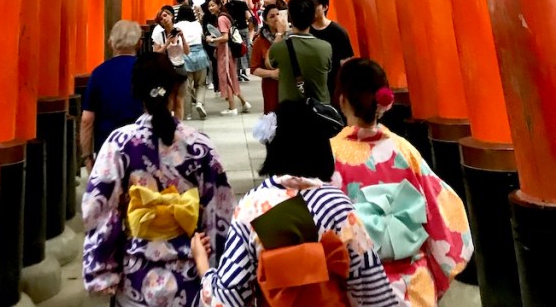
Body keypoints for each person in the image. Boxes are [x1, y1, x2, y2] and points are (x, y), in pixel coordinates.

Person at [191, 100, 398, 307]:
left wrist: (203, 265)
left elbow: (224, 300)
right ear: (320, 147)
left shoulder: (251, 207)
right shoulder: (337, 205)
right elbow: (375, 294)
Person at [82, 53, 235, 307]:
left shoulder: (119, 144)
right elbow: (221, 210)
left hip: (135, 277)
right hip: (190, 276)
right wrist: (215, 270)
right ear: (175, 91)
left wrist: (103, 269)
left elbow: (98, 208)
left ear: (136, 92)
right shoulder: (200, 146)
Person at [331, 58, 474, 306]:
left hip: (359, 286)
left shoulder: (329, 156)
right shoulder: (404, 150)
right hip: (413, 284)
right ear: (383, 103)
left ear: (342, 100)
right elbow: (442, 210)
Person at [80, 20, 145, 170]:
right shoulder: (147, 70)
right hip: (143, 147)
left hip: (107, 149)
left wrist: (87, 156)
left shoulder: (99, 74)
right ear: (139, 44)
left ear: (110, 43)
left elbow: (87, 120)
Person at [268, 0, 332, 104]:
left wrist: (279, 34)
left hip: (290, 110)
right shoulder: (325, 47)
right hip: (319, 110)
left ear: (290, 17)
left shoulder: (279, 48)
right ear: (313, 18)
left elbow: (269, 62)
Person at [204, 0, 250, 115]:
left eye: (213, 5)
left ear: (219, 5)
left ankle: (232, 107)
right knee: (231, 77)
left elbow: (225, 37)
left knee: (227, 77)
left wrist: (212, 40)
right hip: (227, 50)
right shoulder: (225, 16)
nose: (210, 8)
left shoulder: (220, 19)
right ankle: (244, 103)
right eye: (209, 6)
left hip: (225, 51)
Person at [307, 0, 355, 95]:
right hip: (312, 88)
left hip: (333, 87)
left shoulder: (338, 32)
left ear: (325, 7)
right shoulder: (305, 30)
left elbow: (346, 63)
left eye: (314, 5)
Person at [152, 5, 189, 118]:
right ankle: (169, 124)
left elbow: (187, 52)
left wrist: (183, 37)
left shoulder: (179, 31)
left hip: (181, 68)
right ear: (160, 22)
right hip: (167, 70)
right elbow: (156, 54)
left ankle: (179, 124)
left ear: (172, 16)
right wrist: (166, 43)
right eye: (162, 17)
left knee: (179, 100)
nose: (164, 18)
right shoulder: (160, 35)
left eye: (166, 15)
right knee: (170, 99)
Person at [249, 1, 286, 112]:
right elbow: (254, 69)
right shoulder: (260, 41)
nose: (277, 19)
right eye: (272, 16)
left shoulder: (290, 36)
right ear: (265, 21)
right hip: (272, 87)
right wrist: (271, 73)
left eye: (278, 14)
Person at [176, 2, 208, 120]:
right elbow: (202, 37)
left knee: (187, 87)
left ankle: (188, 114)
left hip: (185, 56)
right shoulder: (197, 24)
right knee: (201, 84)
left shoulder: (177, 26)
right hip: (200, 55)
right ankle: (199, 103)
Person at [225, 0, 252, 82]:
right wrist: (250, 27)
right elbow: (249, 16)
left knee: (235, 49)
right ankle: (243, 71)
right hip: (243, 28)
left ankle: (236, 72)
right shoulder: (242, 4)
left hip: (233, 30)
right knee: (244, 48)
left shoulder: (226, 6)